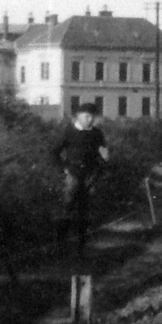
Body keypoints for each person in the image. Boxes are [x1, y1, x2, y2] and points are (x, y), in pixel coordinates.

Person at [53, 101, 109, 255]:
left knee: (86, 209)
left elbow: (104, 154)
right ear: (78, 116)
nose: (89, 120)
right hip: (73, 173)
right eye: (86, 116)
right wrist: (63, 169)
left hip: (90, 175)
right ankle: (60, 242)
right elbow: (54, 152)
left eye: (92, 117)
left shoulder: (97, 134)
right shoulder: (69, 132)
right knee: (68, 205)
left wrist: (100, 167)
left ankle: (81, 246)